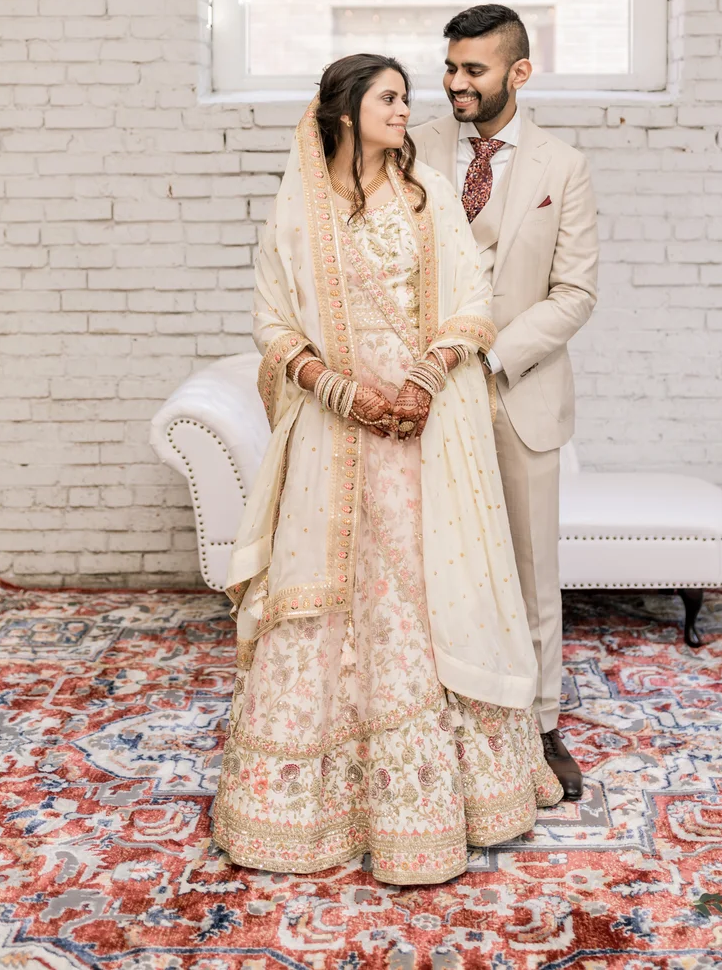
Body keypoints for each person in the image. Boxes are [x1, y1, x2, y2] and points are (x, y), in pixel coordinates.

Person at [213, 53, 562, 885]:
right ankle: (309, 807)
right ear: (343, 112)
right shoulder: (299, 212)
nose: (407, 110)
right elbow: (272, 324)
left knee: (416, 590)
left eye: (408, 97)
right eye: (390, 98)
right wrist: (337, 389)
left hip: (424, 428)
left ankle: (443, 805)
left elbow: (469, 304)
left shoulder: (426, 195)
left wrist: (420, 382)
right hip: (335, 439)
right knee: (334, 597)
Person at [411, 5, 599, 801]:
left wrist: (489, 359)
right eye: (450, 67)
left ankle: (543, 722)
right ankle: (437, 715)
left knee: (529, 568)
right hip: (423, 393)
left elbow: (575, 294)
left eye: (474, 70)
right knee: (427, 562)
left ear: (520, 72)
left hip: (515, 394)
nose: (456, 83)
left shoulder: (564, 168)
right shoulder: (414, 142)